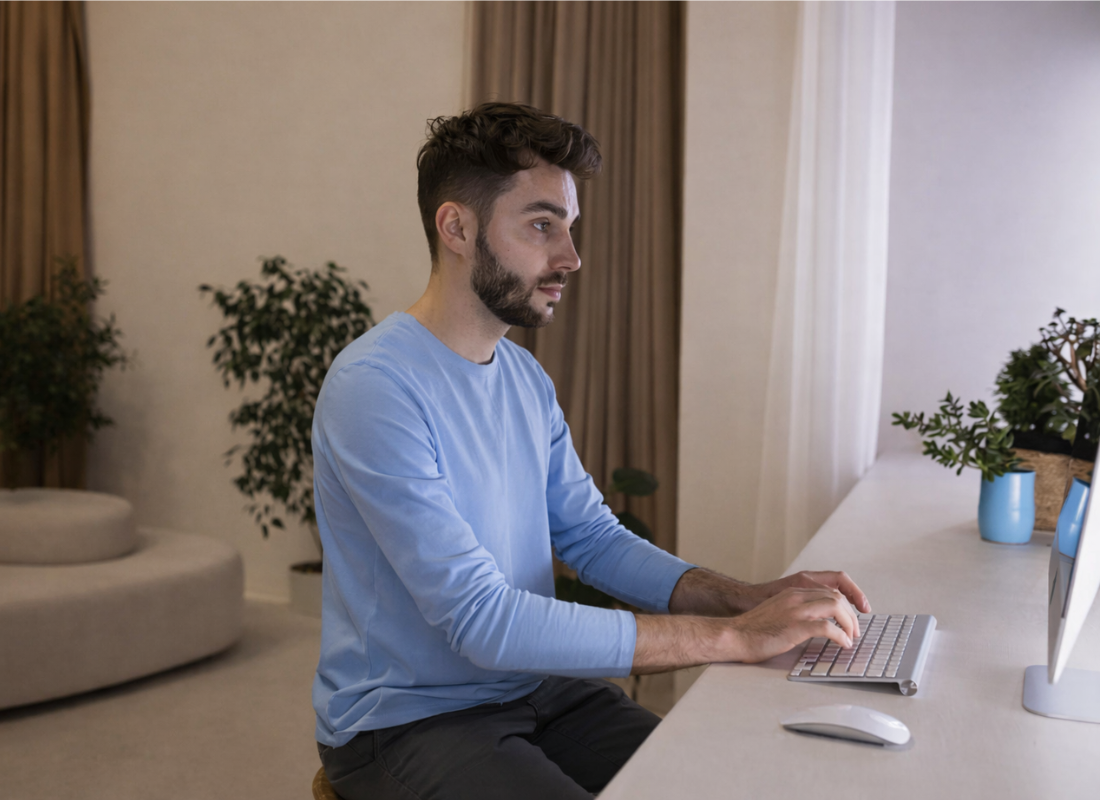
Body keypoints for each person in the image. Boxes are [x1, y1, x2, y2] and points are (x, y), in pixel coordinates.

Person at [311, 102, 870, 800]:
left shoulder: (521, 378)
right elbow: (480, 621)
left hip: (539, 692)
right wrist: (733, 638)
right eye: (542, 225)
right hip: (408, 722)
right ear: (456, 227)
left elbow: (593, 539)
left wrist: (744, 599)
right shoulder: (375, 388)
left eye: (569, 227)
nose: (570, 258)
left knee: (718, 782)